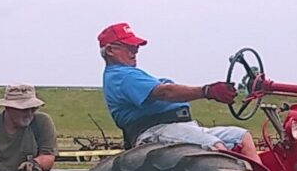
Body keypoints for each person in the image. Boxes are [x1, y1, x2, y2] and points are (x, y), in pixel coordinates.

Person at [97, 22, 259, 163]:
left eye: (136, 47)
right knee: (215, 148)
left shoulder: (131, 75)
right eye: (129, 47)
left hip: (180, 127)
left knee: (241, 136)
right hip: (156, 130)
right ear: (110, 50)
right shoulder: (121, 76)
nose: (135, 51)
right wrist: (208, 91)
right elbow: (165, 93)